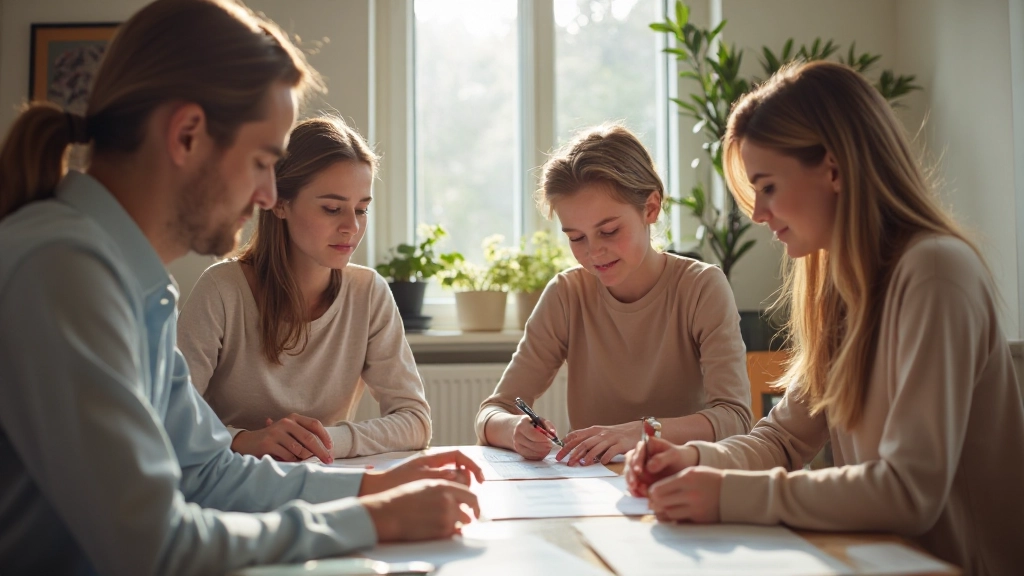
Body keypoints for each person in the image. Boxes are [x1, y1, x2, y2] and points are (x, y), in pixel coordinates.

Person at [0, 2, 481, 575]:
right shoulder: (65, 269)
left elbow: (206, 470)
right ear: (187, 135)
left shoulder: (134, 282)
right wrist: (373, 521)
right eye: (261, 161)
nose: (266, 196)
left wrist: (371, 488)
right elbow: (155, 545)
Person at [624, 61, 1024, 574]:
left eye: (767, 185)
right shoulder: (842, 290)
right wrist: (695, 458)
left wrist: (727, 494)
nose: (757, 213)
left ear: (833, 169)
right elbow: (785, 439)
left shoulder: (934, 271)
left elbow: (908, 491)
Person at [475, 124, 752, 466]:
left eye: (609, 231)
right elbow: (492, 412)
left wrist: (640, 432)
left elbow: (736, 418)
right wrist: (515, 429)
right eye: (577, 238)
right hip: (598, 488)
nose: (594, 252)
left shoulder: (701, 287)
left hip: (687, 485)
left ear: (650, 208)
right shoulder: (567, 295)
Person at [178, 116, 430, 464]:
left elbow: (415, 422)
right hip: (230, 484)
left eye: (361, 210)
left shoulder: (368, 292)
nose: (351, 227)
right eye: (332, 208)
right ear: (280, 203)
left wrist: (326, 440)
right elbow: (169, 419)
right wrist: (244, 441)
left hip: (322, 482)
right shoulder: (221, 289)